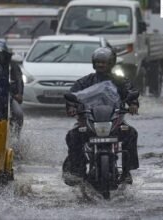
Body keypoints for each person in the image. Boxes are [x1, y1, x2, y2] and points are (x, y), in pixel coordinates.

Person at [63, 47, 139, 185]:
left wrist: (133, 104)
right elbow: (72, 95)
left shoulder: (121, 81)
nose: (100, 65)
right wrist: (72, 107)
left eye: (103, 62)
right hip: (89, 121)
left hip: (114, 121)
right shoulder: (84, 81)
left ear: (111, 63)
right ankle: (77, 170)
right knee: (73, 135)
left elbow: (130, 92)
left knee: (131, 133)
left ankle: (126, 171)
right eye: (98, 62)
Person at [0, 39, 24, 137]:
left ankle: (15, 136)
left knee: (18, 113)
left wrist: (19, 94)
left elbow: (19, 80)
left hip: (8, 95)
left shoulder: (13, 65)